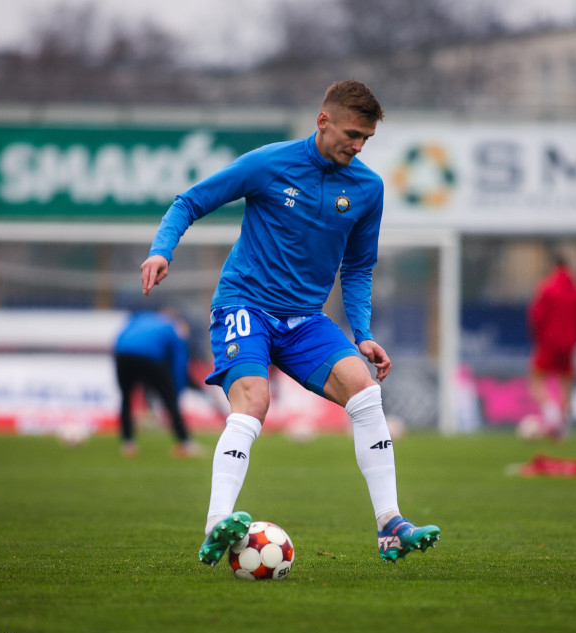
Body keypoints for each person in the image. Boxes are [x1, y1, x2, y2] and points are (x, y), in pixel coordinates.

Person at [141, 80, 439, 566]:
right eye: (351, 133)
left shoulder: (368, 188)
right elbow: (189, 202)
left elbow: (359, 267)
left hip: (305, 320)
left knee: (365, 391)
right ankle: (217, 524)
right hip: (246, 305)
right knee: (254, 400)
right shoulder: (269, 163)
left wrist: (361, 334)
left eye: (366, 139)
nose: (358, 146)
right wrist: (161, 250)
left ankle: (391, 525)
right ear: (322, 122)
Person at [114, 308, 202, 458]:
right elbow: (180, 362)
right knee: (170, 400)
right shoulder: (172, 327)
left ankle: (128, 443)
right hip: (150, 357)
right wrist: (177, 389)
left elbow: (120, 336)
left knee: (126, 398)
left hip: (122, 353)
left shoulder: (141, 317)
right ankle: (185, 443)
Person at [526, 254, 576, 438]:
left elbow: (536, 316)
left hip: (548, 342)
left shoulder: (546, 288)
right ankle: (563, 426)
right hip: (570, 344)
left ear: (554, 267)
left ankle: (552, 414)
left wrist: (537, 339)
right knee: (567, 384)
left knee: (536, 380)